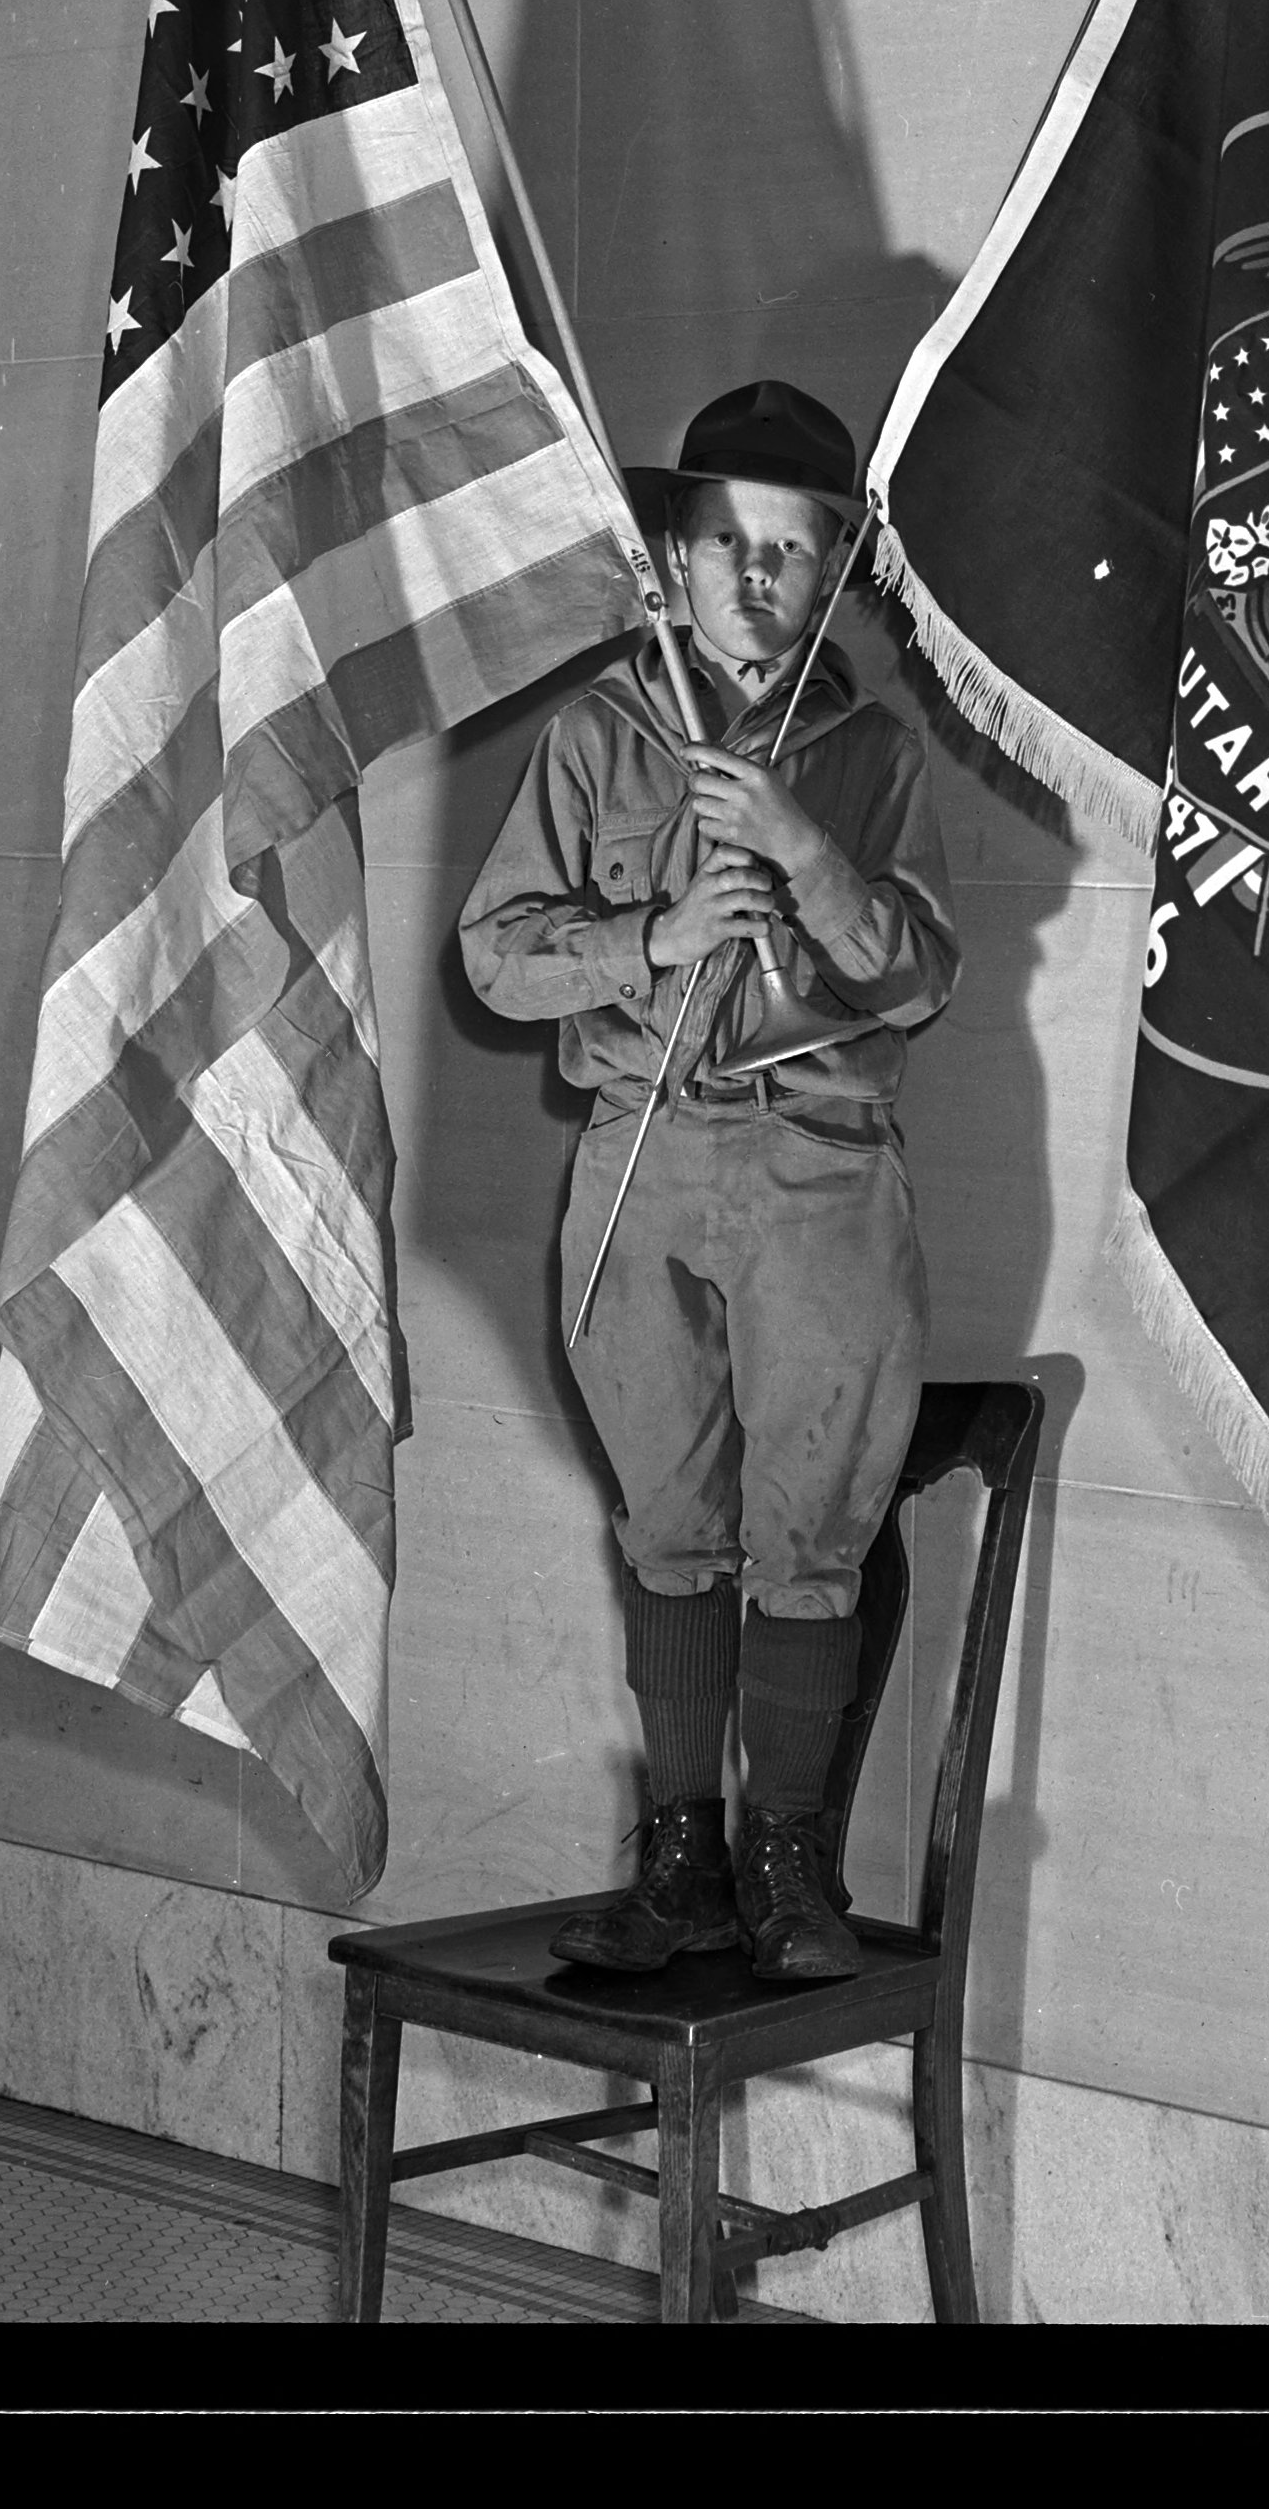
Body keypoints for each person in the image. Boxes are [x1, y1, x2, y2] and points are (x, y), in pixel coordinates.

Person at [456, 381, 959, 1980]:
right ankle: (679, 1857)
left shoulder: (871, 756)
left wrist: (805, 849)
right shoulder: (600, 738)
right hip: (635, 1164)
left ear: (832, 578)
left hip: (815, 1170)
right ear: (669, 564)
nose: (756, 581)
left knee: (808, 1525)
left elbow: (917, 974)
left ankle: (786, 1867)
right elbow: (494, 959)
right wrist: (653, 938)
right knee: (669, 1522)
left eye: (793, 552)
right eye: (726, 545)